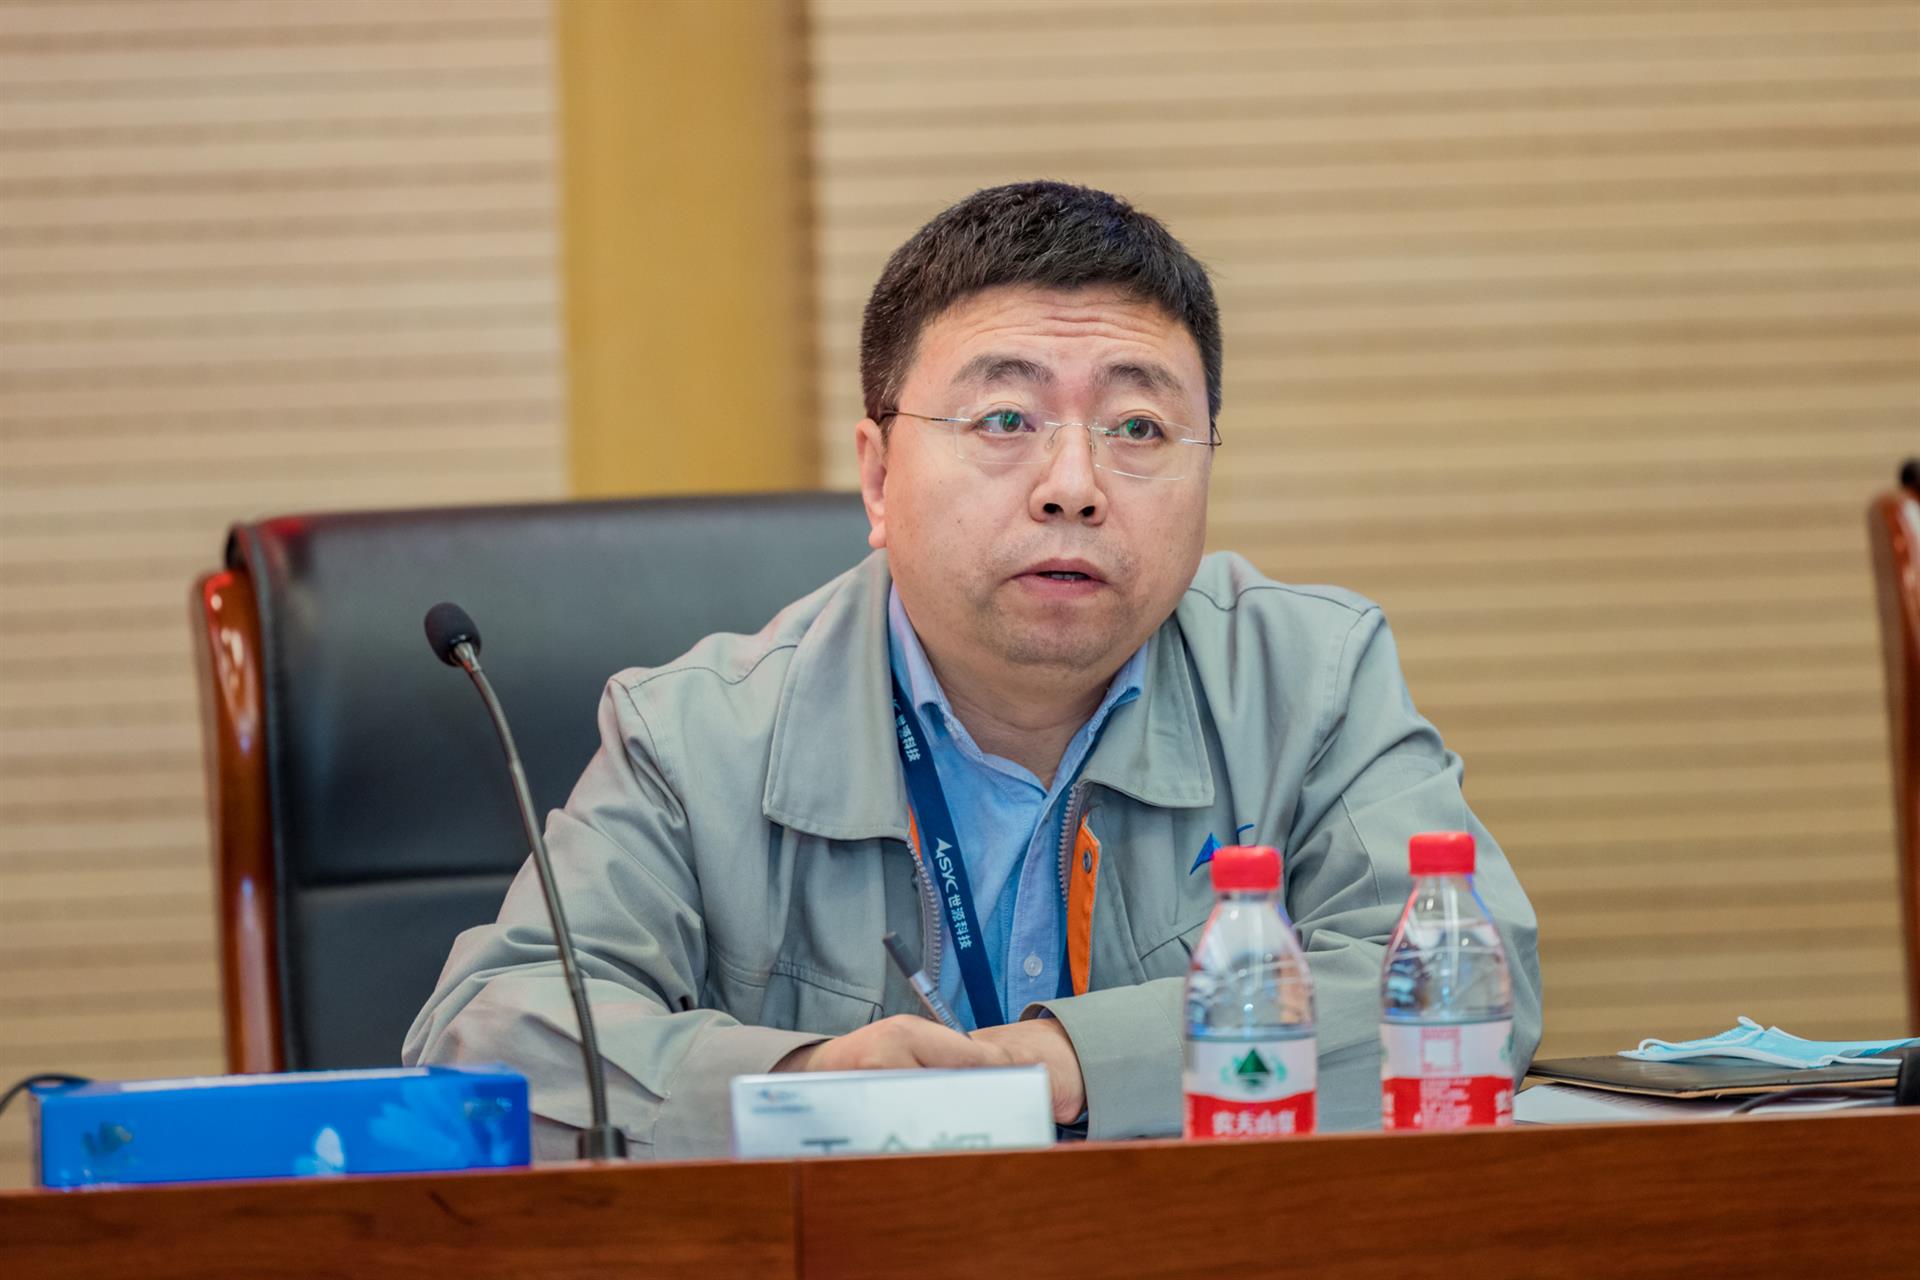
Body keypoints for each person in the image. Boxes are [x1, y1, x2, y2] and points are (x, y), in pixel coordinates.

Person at [404, 181, 1542, 1159]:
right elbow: (488, 1039)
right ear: (877, 475)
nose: (1073, 485)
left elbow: (1475, 994)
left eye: (1139, 429)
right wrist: (809, 1080)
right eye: (1005, 417)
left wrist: (1067, 1062)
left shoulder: (1310, 681)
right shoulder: (695, 736)